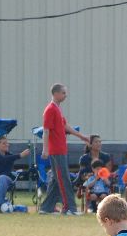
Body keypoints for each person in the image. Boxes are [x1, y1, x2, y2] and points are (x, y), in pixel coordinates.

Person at [39, 83, 90, 215]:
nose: (65, 95)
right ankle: (69, 208)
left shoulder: (57, 109)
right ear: (56, 94)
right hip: (56, 150)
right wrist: (45, 149)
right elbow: (46, 130)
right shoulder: (50, 109)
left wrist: (82, 136)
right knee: (64, 179)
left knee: (57, 180)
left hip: (61, 149)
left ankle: (46, 207)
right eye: (63, 93)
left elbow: (66, 126)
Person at [0, 136, 30, 213]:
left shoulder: (10, 155)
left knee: (2, 177)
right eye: (4, 143)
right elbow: (1, 160)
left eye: (7, 143)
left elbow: (7, 171)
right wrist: (20, 155)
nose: (7, 144)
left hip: (6, 180)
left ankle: (0, 205)